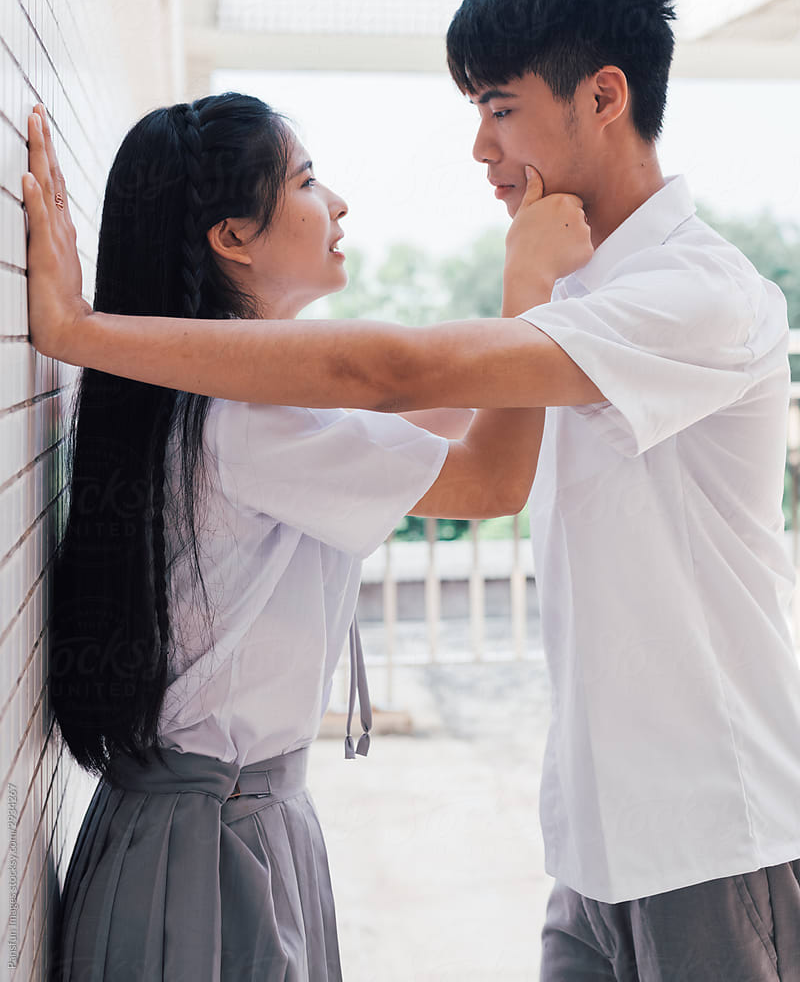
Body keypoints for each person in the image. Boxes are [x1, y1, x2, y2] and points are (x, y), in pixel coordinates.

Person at [23, 0, 800, 979]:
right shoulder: (584, 300)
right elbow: (413, 408)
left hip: (712, 833)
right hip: (599, 841)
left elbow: (393, 385)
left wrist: (83, 333)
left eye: (498, 108)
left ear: (602, 97)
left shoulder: (690, 297)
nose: (479, 149)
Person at [35, 91, 592, 981]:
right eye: (303, 179)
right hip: (210, 853)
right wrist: (530, 293)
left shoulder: (206, 399)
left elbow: (430, 415)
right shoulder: (251, 415)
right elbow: (491, 478)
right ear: (232, 237)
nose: (335, 203)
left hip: (202, 828)